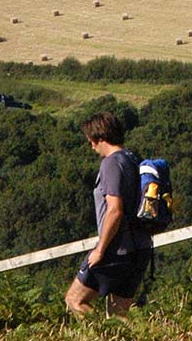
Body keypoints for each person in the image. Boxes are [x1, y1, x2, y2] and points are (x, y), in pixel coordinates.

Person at [65, 111, 153, 317]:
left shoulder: (111, 163)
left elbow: (115, 210)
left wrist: (100, 250)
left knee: (75, 300)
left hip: (116, 249)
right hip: (140, 248)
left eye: (91, 140)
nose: (91, 145)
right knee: (117, 313)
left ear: (100, 137)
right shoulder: (134, 159)